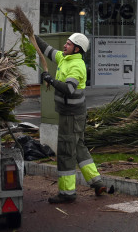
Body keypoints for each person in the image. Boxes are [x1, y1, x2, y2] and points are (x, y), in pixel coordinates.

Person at [35, 32, 108, 203]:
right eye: (66, 43)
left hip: (71, 115)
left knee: (67, 152)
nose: (64, 46)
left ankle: (67, 193)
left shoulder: (77, 65)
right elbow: (48, 50)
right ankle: (97, 182)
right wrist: (32, 35)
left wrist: (50, 79)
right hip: (72, 114)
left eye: (68, 44)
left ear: (77, 49)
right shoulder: (64, 58)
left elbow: (68, 89)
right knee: (79, 147)